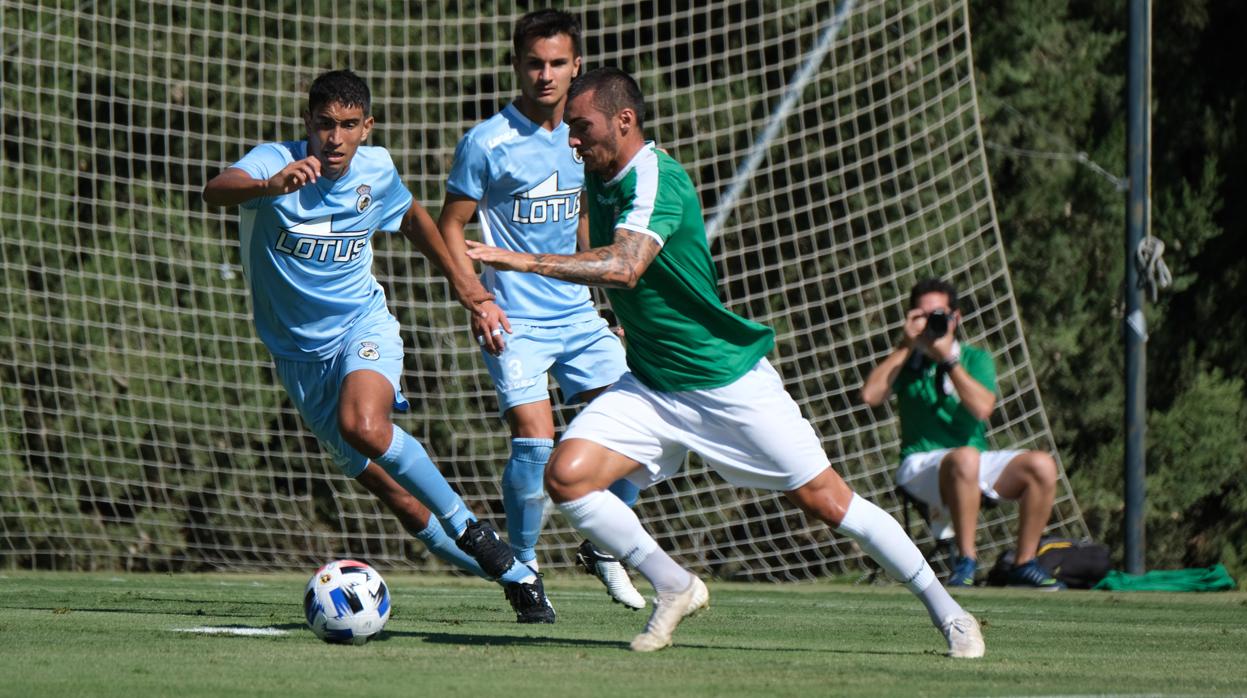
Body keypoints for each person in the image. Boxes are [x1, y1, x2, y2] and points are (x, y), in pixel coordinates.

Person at [465, 66, 986, 657]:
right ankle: (673, 584)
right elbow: (630, 276)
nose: (572, 139)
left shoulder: (657, 177)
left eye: (582, 126)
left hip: (726, 381)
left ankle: (951, 612)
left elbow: (624, 266)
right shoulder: (599, 178)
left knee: (829, 503)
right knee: (567, 475)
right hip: (654, 386)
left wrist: (521, 261)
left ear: (625, 120)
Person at [200, 68, 549, 617]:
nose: (333, 138)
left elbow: (411, 217)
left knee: (362, 424)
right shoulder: (273, 162)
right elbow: (214, 191)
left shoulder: (376, 168)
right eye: (323, 124)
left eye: (347, 125)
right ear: (307, 122)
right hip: (298, 358)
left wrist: (463, 282)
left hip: (363, 327)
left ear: (367, 127)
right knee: (401, 499)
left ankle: (472, 529)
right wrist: (270, 187)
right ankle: (516, 574)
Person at [430, 9, 645, 619]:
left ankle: (605, 545)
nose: (545, 74)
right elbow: (450, 226)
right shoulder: (487, 141)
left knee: (642, 429)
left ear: (577, 66)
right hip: (514, 321)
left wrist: (616, 302)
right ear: (517, 65)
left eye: (557, 63)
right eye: (534, 62)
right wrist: (477, 296)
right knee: (534, 444)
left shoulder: (585, 134)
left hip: (579, 316)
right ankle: (522, 570)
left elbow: (582, 225)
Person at [860, 278, 1065, 590]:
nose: (932, 322)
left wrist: (949, 360)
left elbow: (983, 408)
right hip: (919, 464)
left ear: (956, 317)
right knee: (965, 458)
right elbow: (870, 396)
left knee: (1042, 465)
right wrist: (905, 345)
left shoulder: (974, 358)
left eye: (938, 314)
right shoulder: (907, 360)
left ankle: (1024, 563)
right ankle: (966, 561)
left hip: (971, 460)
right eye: (923, 315)